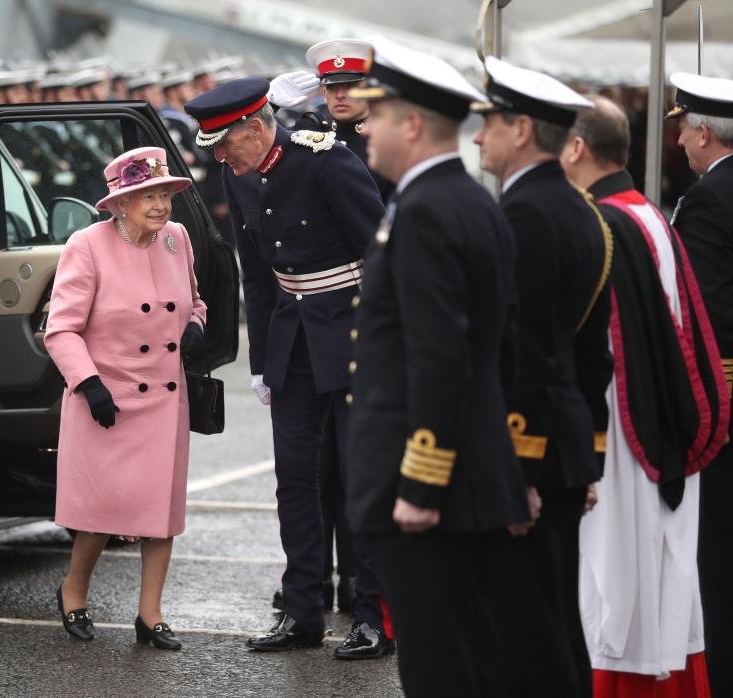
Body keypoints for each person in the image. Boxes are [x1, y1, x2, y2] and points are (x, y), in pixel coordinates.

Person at [345, 41, 529, 696]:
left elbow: (439, 354)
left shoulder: (425, 211)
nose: (363, 127)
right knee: (470, 655)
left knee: (437, 668)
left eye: (378, 115)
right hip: (473, 474)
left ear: (413, 125)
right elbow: (503, 346)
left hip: (430, 490)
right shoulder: (475, 200)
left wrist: (420, 484)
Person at [184, 78, 390, 658]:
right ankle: (302, 610)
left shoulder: (325, 161)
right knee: (295, 478)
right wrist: (261, 360)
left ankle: (373, 616)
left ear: (256, 127)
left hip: (349, 331)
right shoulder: (237, 172)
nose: (220, 157)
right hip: (293, 340)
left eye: (226, 143)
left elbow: (379, 253)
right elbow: (254, 271)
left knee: (360, 475)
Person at [564, 94, 729, 697]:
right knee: (654, 585)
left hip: (620, 427)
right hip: (654, 420)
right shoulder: (646, 213)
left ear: (578, 148)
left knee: (615, 591)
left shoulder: (606, 223)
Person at [471, 57, 612, 697]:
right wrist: (591, 451)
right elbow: (591, 354)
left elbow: (524, 354)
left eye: (489, 124)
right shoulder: (582, 209)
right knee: (553, 619)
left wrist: (518, 470)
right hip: (566, 444)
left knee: (524, 632)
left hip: (530, 453)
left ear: (522, 129)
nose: (477, 138)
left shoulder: (526, 215)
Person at [44, 147, 207, 648]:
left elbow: (196, 300)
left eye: (165, 195)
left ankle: (150, 613)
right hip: (106, 395)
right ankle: (74, 591)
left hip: (163, 396)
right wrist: (88, 384)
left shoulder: (177, 240)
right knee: (100, 510)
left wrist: (197, 324)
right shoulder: (86, 245)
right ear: (118, 203)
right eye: (147, 196)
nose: (160, 206)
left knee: (160, 512)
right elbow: (60, 329)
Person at [668, 72, 733, 695]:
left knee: (717, 560)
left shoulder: (710, 199)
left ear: (705, 132)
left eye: (684, 128)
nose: (681, 141)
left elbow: (704, 312)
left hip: (726, 403)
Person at [270, 39, 394, 201]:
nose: (340, 95)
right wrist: (269, 106)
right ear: (323, 93)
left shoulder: (386, 144)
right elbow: (256, 149)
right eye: (332, 87)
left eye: (351, 86)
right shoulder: (309, 134)